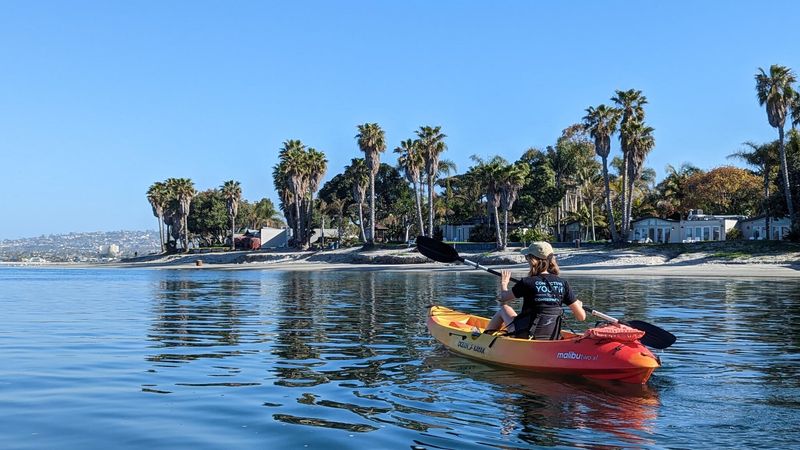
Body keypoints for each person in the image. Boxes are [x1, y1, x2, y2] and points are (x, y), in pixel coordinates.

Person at [485, 241, 586, 339]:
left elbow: (503, 298)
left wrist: (504, 283)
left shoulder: (527, 282)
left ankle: (483, 341)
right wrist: (579, 306)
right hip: (551, 336)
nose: (527, 260)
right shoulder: (563, 283)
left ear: (532, 260)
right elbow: (582, 317)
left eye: (527, 257)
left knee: (504, 309)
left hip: (526, 335)